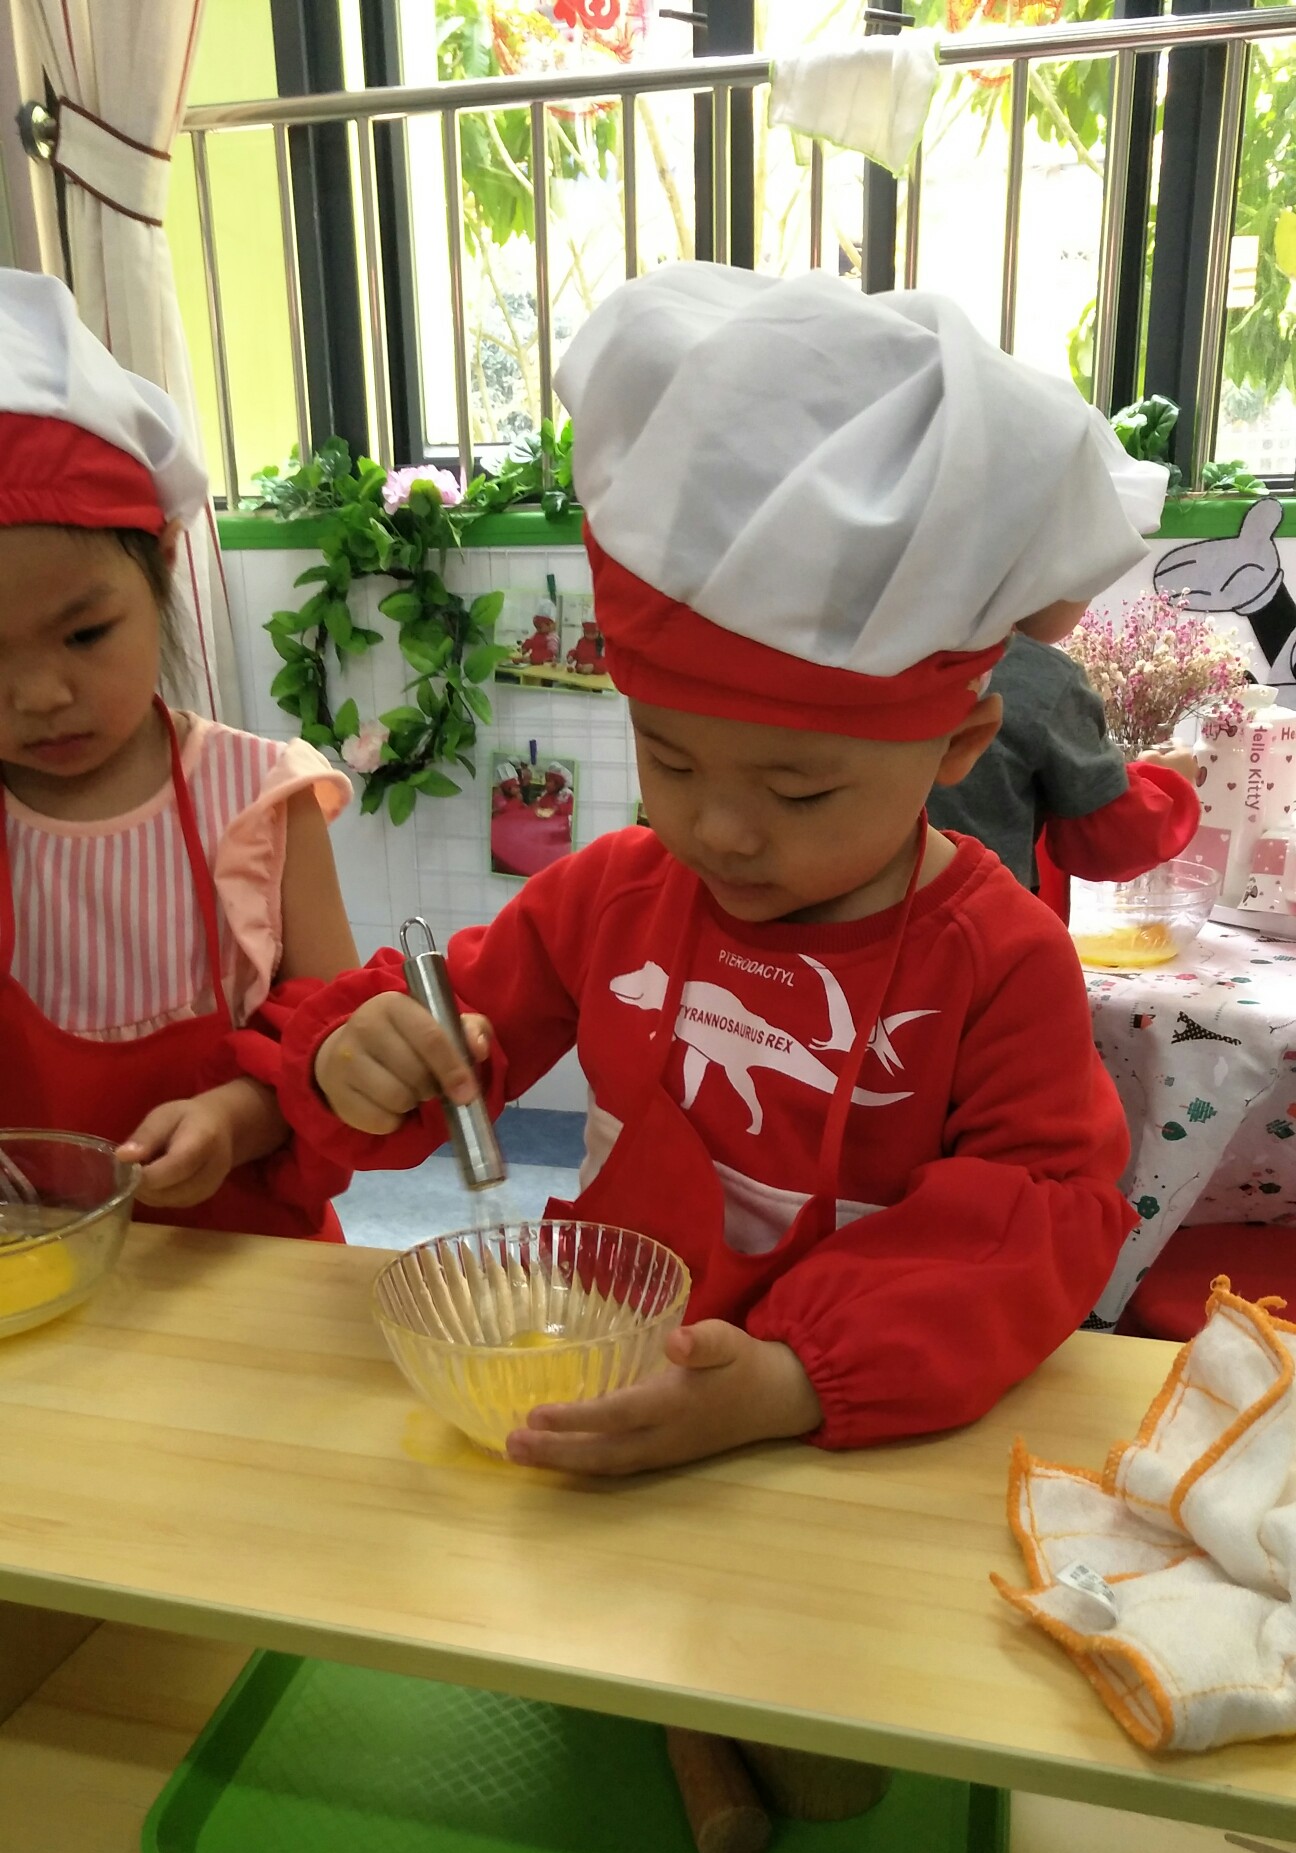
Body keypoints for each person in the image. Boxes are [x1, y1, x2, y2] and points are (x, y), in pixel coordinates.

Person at [271, 268, 1166, 1467]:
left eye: (799, 792)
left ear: (956, 748)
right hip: (601, 1371)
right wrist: (360, 1059)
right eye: (671, 759)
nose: (722, 832)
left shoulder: (998, 961)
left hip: (847, 1435)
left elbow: (1042, 1220)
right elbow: (446, 1038)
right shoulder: (611, 896)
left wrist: (796, 1378)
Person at [0, 271, 357, 1237]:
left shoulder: (261, 795)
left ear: (160, 566)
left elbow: (338, 1035)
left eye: (84, 635)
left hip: (248, 1259)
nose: (39, 696)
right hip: (37, 1273)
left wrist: (235, 1118)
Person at [926, 599, 1200, 908]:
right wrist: (1173, 782)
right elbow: (1115, 840)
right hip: (984, 917)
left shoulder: (890, 650)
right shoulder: (1041, 675)